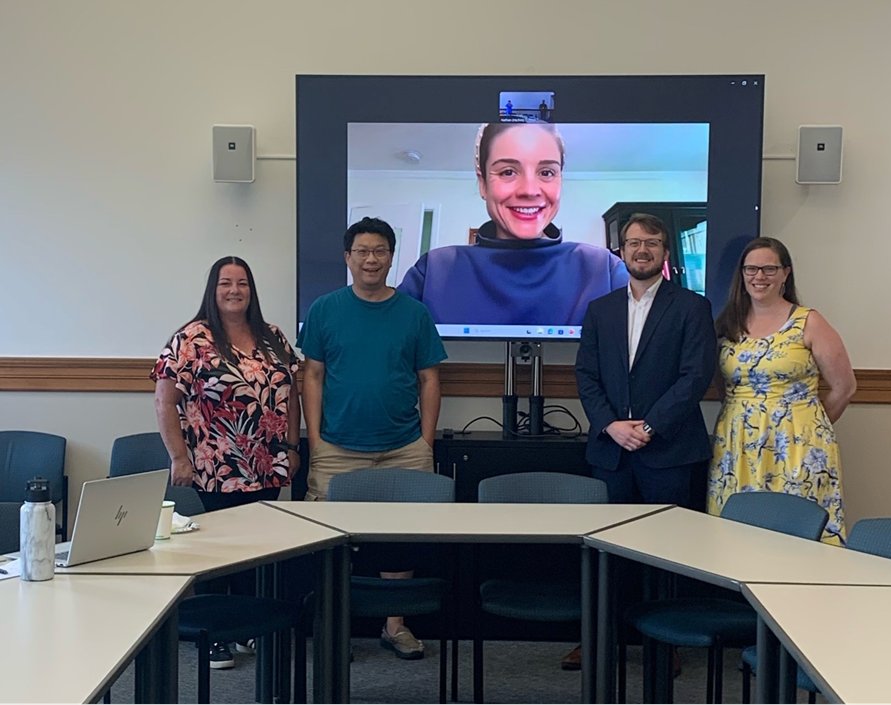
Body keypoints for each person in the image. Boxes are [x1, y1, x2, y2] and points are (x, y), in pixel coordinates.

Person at [298, 216, 447, 660]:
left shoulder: (414, 314)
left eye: (379, 251)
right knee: (328, 539)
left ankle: (395, 624)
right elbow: (313, 376)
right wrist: (316, 441)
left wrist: (425, 443)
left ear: (390, 257)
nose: (370, 259)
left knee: (400, 538)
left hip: (404, 447)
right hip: (337, 449)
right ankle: (334, 623)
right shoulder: (324, 309)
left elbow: (430, 379)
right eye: (361, 251)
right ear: (348, 258)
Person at [572, 212, 715, 671]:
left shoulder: (692, 307)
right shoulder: (600, 309)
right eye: (634, 242)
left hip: (669, 452)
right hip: (611, 452)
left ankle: (665, 643)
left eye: (651, 242)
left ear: (665, 251)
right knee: (605, 551)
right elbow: (587, 377)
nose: (642, 250)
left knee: (666, 551)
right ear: (621, 250)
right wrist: (612, 425)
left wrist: (649, 427)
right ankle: (598, 639)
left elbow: (695, 378)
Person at [151, 255, 300, 669]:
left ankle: (248, 626)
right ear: (212, 291)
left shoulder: (273, 337)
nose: (234, 290)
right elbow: (165, 400)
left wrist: (292, 448)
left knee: (258, 549)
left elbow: (291, 396)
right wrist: (178, 456)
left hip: (266, 465)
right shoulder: (191, 338)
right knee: (216, 552)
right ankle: (213, 637)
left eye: (242, 283)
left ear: (252, 291)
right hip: (213, 466)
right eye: (225, 283)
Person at [399, 122, 629, 325]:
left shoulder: (603, 271)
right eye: (508, 171)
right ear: (482, 184)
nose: (529, 190)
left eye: (547, 172)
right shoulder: (434, 272)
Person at [707, 237, 856, 544]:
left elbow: (845, 387)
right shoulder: (726, 323)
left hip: (798, 445)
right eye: (751, 269)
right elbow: (725, 386)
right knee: (736, 534)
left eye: (768, 269)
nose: (759, 277)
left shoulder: (809, 321)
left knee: (798, 532)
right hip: (738, 443)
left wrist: (807, 427)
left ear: (785, 273)